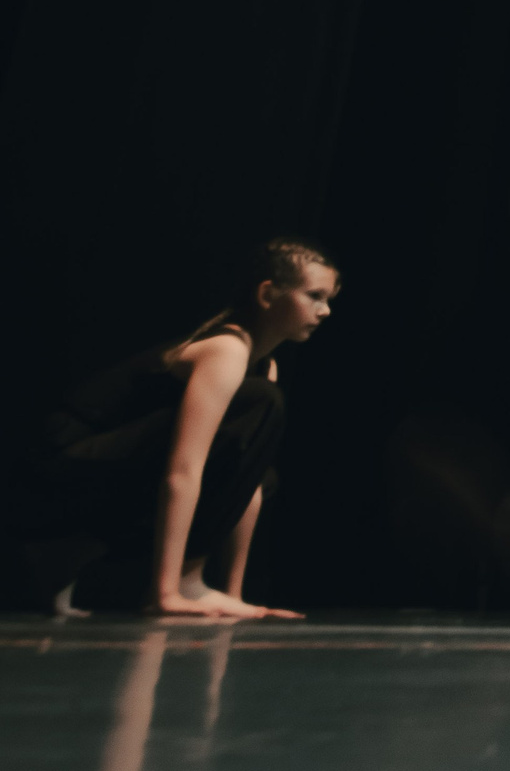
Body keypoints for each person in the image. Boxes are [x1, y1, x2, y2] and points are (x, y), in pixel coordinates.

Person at [9, 238, 337, 618]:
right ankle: (168, 580)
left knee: (261, 473)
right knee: (258, 405)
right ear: (267, 294)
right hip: (55, 474)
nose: (325, 310)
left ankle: (72, 553)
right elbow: (183, 470)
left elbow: (247, 480)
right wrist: (171, 591)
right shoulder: (226, 350)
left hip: (105, 475)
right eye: (315, 295)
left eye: (328, 299)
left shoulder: (265, 365)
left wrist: (235, 598)